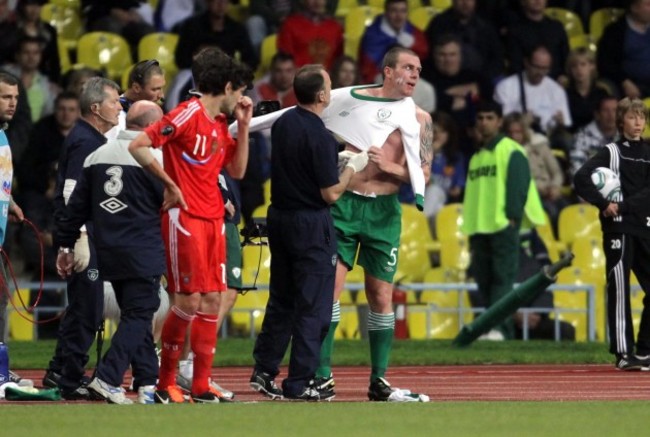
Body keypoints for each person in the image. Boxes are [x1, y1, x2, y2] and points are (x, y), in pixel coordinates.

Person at [234, 47, 432, 402]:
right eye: (407, 67)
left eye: (418, 69)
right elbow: (307, 123)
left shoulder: (420, 119)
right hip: (341, 205)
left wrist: (387, 168)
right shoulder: (347, 102)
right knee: (326, 293)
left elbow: (423, 174)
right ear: (388, 71)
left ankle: (379, 379)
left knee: (381, 296)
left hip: (384, 211)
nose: (415, 74)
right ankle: (320, 374)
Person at [128, 46, 254, 404]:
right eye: (241, 91)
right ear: (228, 87)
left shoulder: (219, 124)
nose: (244, 99)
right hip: (183, 219)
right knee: (187, 299)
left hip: (214, 218)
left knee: (213, 299)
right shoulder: (186, 114)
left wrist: (243, 127)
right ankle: (165, 381)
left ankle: (201, 383)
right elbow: (139, 145)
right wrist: (169, 184)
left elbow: (238, 171)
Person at [250, 64, 369, 401]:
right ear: (321, 96)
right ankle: (299, 381)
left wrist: (335, 158)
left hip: (280, 218)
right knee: (312, 305)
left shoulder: (284, 122)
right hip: (309, 223)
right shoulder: (319, 134)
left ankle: (264, 369)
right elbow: (330, 193)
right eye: (329, 86)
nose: (331, 91)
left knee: (282, 299)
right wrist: (351, 168)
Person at [54, 100, 165, 405]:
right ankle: (107, 377)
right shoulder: (155, 158)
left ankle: (146, 383)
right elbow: (170, 201)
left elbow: (74, 208)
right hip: (142, 249)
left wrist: (65, 245)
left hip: (108, 250)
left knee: (134, 314)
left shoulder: (96, 155)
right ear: (152, 126)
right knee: (142, 313)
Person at [43, 77, 122, 400]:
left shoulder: (85, 137)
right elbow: (71, 191)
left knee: (81, 307)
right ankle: (70, 375)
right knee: (87, 309)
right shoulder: (87, 142)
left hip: (83, 232)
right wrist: (77, 237)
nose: (119, 107)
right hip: (84, 234)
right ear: (96, 108)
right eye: (115, 102)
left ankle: (60, 369)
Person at [573, 97, 650, 371]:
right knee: (619, 288)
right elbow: (580, 177)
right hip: (618, 228)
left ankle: (644, 350)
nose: (638, 122)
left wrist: (625, 205)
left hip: (644, 227)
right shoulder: (611, 152)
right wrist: (604, 204)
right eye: (632, 117)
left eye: (641, 117)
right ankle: (623, 353)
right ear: (621, 121)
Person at [462, 100, 546, 340]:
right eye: (481, 118)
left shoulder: (511, 149)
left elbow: (518, 186)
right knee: (485, 281)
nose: (485, 122)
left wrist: (513, 218)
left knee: (502, 280)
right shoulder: (477, 156)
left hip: (502, 226)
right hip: (479, 228)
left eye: (490, 117)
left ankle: (500, 329)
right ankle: (492, 328)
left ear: (499, 121)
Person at [0, 72, 29, 386]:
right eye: (6, 97)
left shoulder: (3, 136)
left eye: (16, 98)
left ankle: (0, 368)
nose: (13, 104)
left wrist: (10, 201)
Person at [502, 111, 566, 231]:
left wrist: (555, 186)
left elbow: (556, 172)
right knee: (551, 212)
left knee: (567, 210)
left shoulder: (540, 146)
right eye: (510, 133)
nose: (514, 137)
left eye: (518, 132)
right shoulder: (504, 154)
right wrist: (540, 189)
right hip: (531, 197)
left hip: (550, 191)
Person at [494, 45, 572, 137]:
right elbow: (500, 123)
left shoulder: (557, 90)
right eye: (536, 67)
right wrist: (522, 123)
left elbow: (566, 123)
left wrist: (560, 124)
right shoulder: (505, 87)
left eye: (545, 69)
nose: (540, 72)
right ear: (526, 63)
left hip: (548, 137)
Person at [424, 0, 504, 84]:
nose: (465, 3)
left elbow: (497, 59)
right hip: (446, 81)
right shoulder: (438, 24)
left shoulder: (486, 25)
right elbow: (431, 59)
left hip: (481, 81)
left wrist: (482, 82)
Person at [174, 0, 258, 72]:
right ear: (208, 2)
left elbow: (251, 61)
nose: (221, 4)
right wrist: (198, 58)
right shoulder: (192, 26)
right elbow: (181, 59)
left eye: (225, 0)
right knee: (184, 76)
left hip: (226, 76)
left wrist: (229, 64)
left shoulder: (236, 29)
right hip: (196, 74)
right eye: (216, 0)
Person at [358, 0, 428, 85]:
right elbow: (367, 71)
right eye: (394, 11)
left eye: (403, 11)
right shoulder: (371, 37)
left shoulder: (416, 35)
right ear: (386, 13)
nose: (399, 16)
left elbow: (424, 63)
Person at [504, 0, 569, 81]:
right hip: (527, 82)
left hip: (556, 82)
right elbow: (515, 65)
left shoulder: (557, 27)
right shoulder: (515, 30)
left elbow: (566, 57)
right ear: (523, 2)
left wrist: (563, 76)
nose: (538, 1)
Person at [597, 0, 650, 99]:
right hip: (630, 85)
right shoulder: (615, 31)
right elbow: (606, 63)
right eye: (648, 4)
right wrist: (624, 81)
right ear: (634, 8)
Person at [2, 35, 59, 122]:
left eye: (35, 53)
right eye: (26, 52)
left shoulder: (46, 85)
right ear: (17, 55)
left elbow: (48, 115)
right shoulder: (3, 74)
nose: (31, 57)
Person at [105, 58, 166, 139]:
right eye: (154, 89)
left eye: (161, 88)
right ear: (136, 88)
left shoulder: (155, 112)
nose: (161, 96)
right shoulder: (115, 117)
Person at [277, 0, 343, 70]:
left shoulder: (336, 27)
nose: (318, 2)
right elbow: (285, 62)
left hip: (329, 78)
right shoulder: (290, 25)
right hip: (299, 77)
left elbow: (339, 61)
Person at [564, 47, 614, 134]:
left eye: (583, 64)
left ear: (592, 66)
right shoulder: (564, 94)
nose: (579, 69)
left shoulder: (601, 92)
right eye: (574, 66)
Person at [570, 95, 619, 175]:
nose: (611, 115)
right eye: (606, 110)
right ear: (597, 114)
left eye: (615, 110)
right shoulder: (582, 136)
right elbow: (576, 169)